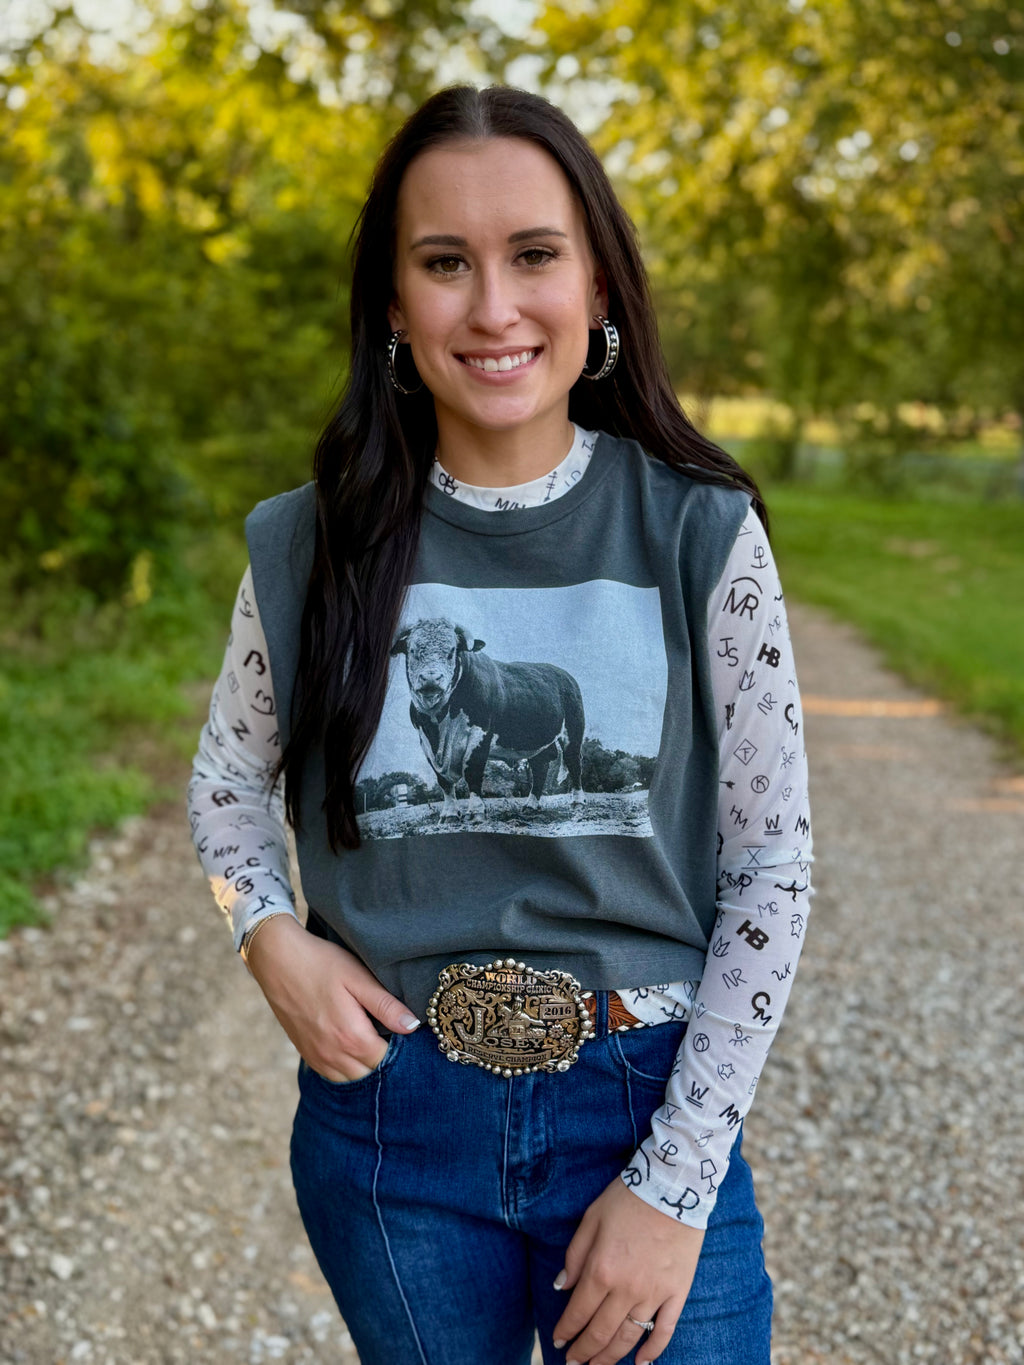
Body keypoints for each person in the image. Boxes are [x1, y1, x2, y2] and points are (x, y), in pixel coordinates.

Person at [187, 84, 812, 1365]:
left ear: (596, 285)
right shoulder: (309, 544)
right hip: (392, 1129)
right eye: (442, 263)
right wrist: (267, 938)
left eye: (533, 254)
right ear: (391, 304)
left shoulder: (698, 533)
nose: (491, 307)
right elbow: (225, 791)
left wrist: (674, 1184)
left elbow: (771, 866)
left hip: (636, 1104)